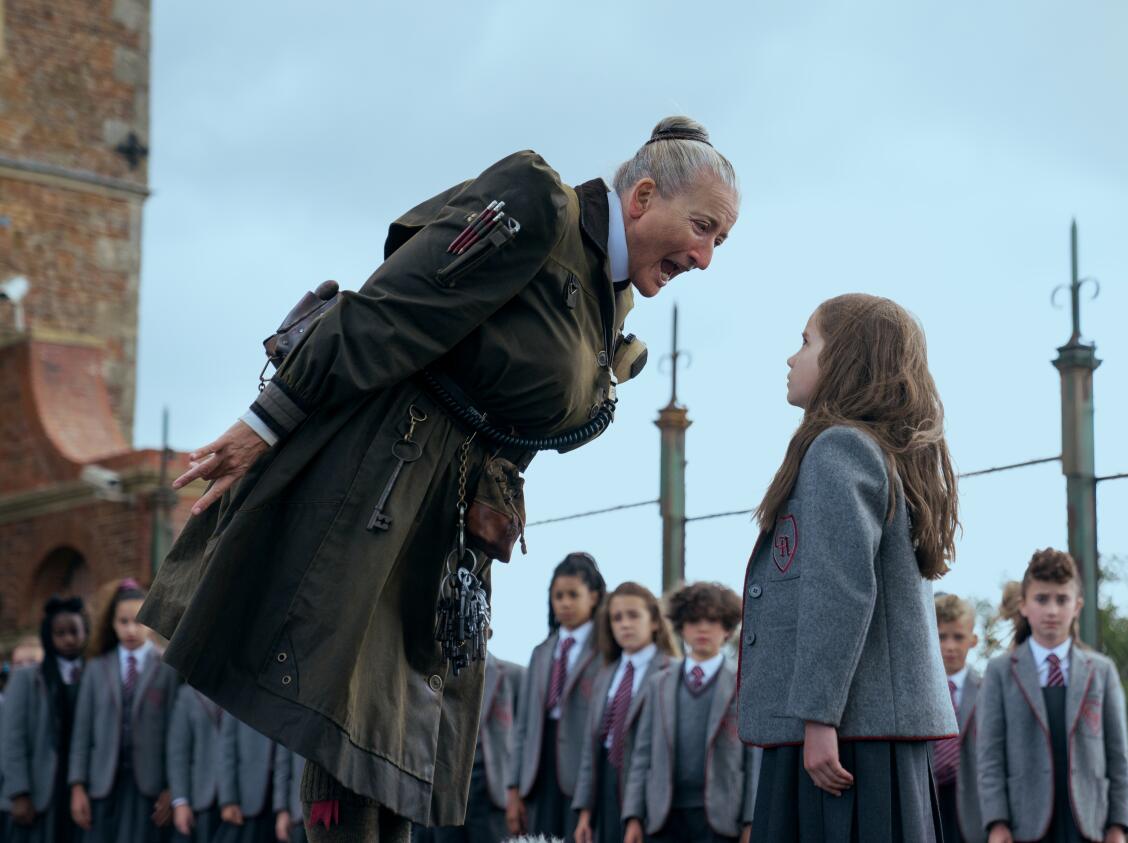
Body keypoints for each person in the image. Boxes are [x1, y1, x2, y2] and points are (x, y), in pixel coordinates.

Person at [139, 115, 738, 843]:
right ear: (642, 196)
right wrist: (266, 421)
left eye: (720, 241)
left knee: (398, 753)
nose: (707, 257)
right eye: (703, 227)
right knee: (349, 729)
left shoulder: (609, 296)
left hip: (451, 523)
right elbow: (390, 308)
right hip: (381, 490)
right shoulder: (540, 203)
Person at [738, 294, 961, 842]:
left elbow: (840, 591)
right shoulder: (882, 451)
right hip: (865, 734)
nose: (792, 358)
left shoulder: (840, 448)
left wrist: (819, 720)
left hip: (841, 737)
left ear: (847, 360)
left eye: (807, 342)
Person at [976, 549, 1128, 843]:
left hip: (1089, 823)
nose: (1052, 610)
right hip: (1025, 823)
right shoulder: (999, 673)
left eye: (1062, 600)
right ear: (1023, 605)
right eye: (1042, 599)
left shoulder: (1101, 672)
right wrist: (997, 822)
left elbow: (1118, 756)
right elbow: (990, 756)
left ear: (1077, 606)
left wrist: (1118, 825)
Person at [623, 581, 758, 843]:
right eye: (694, 619)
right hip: (664, 815)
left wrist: (750, 820)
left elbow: (753, 759)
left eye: (713, 620)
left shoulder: (742, 683)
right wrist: (633, 816)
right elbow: (642, 754)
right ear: (681, 626)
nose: (703, 627)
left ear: (728, 628)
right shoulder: (658, 684)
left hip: (722, 817)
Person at [68, 579, 178, 843]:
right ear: (112, 624)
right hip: (103, 784)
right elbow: (82, 732)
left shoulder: (167, 669)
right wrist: (78, 786)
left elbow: (175, 733)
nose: (130, 629)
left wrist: (172, 788)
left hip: (148, 785)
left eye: (138, 621)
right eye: (123, 622)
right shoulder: (96, 669)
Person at [509, 554, 607, 841]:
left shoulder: (605, 651)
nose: (564, 603)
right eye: (558, 596)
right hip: (539, 771)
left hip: (584, 775)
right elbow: (522, 727)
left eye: (573, 595)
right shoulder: (541, 652)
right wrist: (513, 788)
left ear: (594, 597)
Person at [572, 582, 678, 843]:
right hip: (607, 786)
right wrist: (585, 813)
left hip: (650, 792)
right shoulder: (605, 674)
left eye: (633, 615)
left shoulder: (672, 672)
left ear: (654, 622)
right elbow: (590, 749)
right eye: (617, 618)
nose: (624, 624)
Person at [2, 597, 89, 843]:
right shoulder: (27, 678)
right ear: (48, 635)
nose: (69, 639)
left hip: (78, 785)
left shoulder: (93, 674)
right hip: (40, 786)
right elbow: (12, 738)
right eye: (60, 633)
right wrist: (18, 792)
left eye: (74, 631)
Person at [413, 652, 524, 843]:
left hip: (493, 794)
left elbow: (525, 737)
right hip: (445, 791)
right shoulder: (436, 672)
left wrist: (517, 794)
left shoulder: (515, 675)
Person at [933, 593, 984, 843]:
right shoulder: (923, 692)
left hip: (973, 804)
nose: (950, 646)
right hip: (930, 798)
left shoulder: (986, 690)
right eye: (942, 637)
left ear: (973, 640)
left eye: (958, 637)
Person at [166, 685, 225, 843]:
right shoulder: (187, 695)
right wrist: (181, 801)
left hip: (244, 801)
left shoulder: (245, 691)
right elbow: (178, 753)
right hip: (201, 797)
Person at [217, 717, 286, 843]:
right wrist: (228, 800)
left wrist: (284, 806)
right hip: (247, 799)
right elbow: (226, 753)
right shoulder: (238, 699)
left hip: (282, 798)